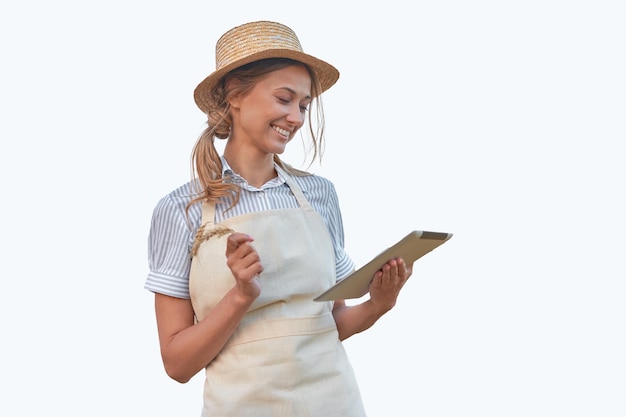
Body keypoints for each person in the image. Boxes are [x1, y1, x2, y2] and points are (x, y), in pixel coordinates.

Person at [145, 20, 413, 416]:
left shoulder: (320, 195)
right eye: (284, 99)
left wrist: (378, 304)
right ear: (235, 94)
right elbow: (177, 364)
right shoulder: (180, 210)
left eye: (303, 105)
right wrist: (239, 296)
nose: (298, 118)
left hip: (333, 403)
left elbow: (328, 324)